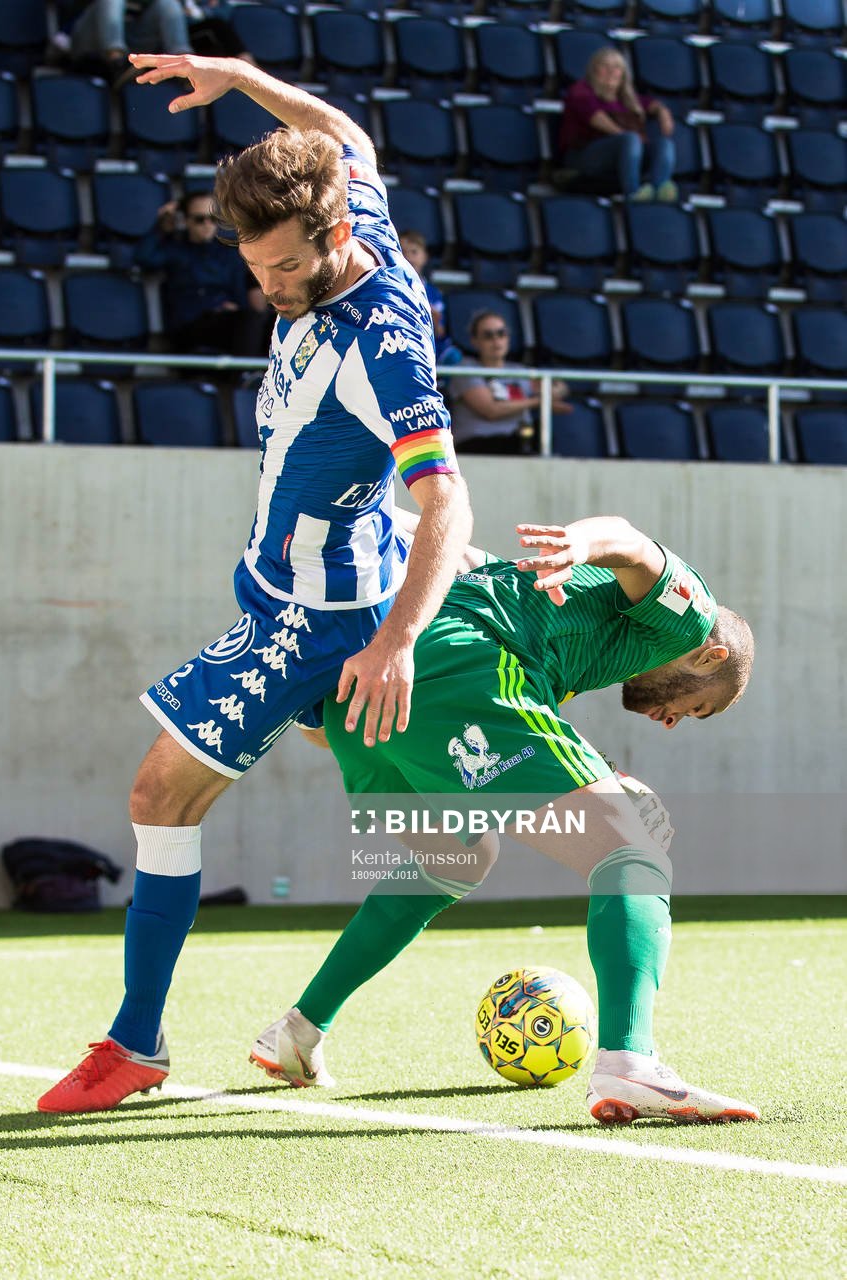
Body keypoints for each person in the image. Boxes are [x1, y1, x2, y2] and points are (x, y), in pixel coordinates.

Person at [37, 53, 473, 1116]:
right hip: (298, 592)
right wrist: (235, 75)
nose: (262, 288)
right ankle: (431, 846)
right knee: (431, 828)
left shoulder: (387, 351)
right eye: (252, 264)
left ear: (332, 242)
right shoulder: (345, 200)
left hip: (315, 621)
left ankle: (135, 1043)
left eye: (279, 270)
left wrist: (393, 642)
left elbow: (448, 507)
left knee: (156, 793)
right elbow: (343, 129)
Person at [251, 515, 760, 1126]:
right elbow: (631, 542)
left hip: (366, 707)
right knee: (634, 850)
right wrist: (584, 543)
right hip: (458, 670)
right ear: (711, 656)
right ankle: (630, 1062)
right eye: (696, 706)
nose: (675, 719)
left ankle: (298, 1031)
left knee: (457, 858)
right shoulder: (690, 619)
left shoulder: (564, 622)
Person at [135, 190, 269, 357]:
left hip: (229, 321)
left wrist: (235, 308)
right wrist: (161, 227)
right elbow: (144, 258)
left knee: (275, 322)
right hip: (191, 325)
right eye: (199, 219)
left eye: (213, 219)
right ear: (185, 221)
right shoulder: (175, 249)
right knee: (249, 320)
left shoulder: (229, 254)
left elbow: (239, 292)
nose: (207, 225)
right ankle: (245, 376)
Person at [557, 47, 678, 203]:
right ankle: (632, 193)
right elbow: (595, 118)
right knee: (630, 139)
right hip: (584, 156)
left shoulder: (627, 98)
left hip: (623, 155)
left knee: (664, 144)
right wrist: (627, 137)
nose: (611, 71)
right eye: (604, 66)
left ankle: (658, 191)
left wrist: (663, 112)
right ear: (593, 69)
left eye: (617, 67)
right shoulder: (581, 91)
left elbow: (651, 104)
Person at [449, 311, 570, 455]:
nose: (496, 340)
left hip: (516, 443)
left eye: (501, 333)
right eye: (488, 335)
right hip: (476, 445)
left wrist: (552, 392)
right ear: (474, 341)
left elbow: (561, 388)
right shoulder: (465, 369)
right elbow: (491, 410)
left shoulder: (519, 371)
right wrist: (539, 401)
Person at [68, 0, 193, 86]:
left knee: (168, 4)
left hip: (130, 41)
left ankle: (185, 67)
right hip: (90, 39)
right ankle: (116, 62)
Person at [398, 230, 462, 367]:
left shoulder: (434, 293)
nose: (408, 257)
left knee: (453, 356)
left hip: (430, 346)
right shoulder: (390, 287)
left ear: (425, 257)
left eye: (414, 252)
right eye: (402, 252)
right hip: (401, 342)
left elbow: (440, 332)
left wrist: (434, 320)